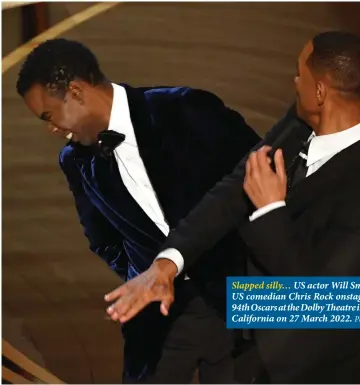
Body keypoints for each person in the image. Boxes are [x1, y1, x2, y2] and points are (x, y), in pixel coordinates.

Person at [104, 31, 360, 383]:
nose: (294, 81)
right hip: (263, 330)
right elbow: (234, 189)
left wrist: (271, 210)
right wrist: (167, 263)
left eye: (300, 73)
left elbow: (317, 298)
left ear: (320, 92)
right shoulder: (304, 121)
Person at [16, 38, 261, 383]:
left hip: (239, 295)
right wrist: (142, 274)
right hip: (159, 313)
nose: (51, 129)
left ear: (75, 91)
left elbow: (263, 180)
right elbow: (102, 238)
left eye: (49, 115)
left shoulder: (185, 110)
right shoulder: (74, 162)